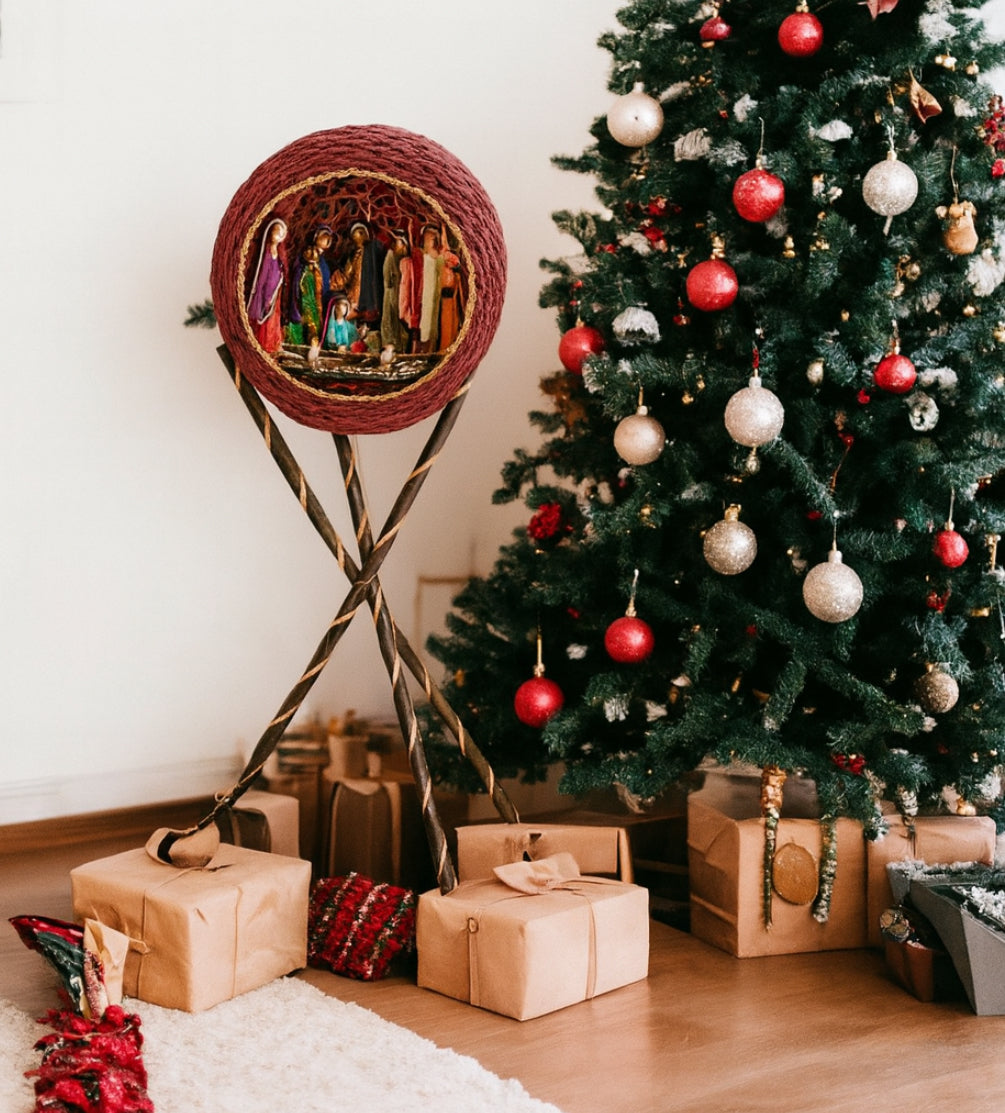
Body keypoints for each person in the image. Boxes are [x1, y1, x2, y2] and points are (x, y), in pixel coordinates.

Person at [246, 217, 288, 354]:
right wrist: (265, 294)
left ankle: (274, 342)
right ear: (270, 233)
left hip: (276, 289)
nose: (279, 236)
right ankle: (265, 343)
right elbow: (263, 274)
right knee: (266, 317)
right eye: (277, 232)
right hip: (268, 290)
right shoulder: (268, 252)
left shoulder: (278, 252)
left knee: (275, 317)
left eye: (282, 233)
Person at [381, 228, 410, 352]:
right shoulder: (390, 255)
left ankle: (400, 345)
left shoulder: (404, 258)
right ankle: (390, 343)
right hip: (391, 291)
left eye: (398, 242)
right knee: (389, 316)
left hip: (401, 291)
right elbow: (387, 277)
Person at [417, 223, 444, 353]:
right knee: (425, 320)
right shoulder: (423, 255)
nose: (430, 241)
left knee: (433, 319)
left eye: (432, 238)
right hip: (424, 293)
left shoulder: (438, 257)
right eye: (428, 238)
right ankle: (423, 346)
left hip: (434, 293)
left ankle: (431, 346)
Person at [438, 245, 465, 350]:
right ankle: (445, 345)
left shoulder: (447, 255)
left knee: (451, 320)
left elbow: (456, 264)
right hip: (446, 295)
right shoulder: (444, 256)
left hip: (451, 294)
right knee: (446, 321)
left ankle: (449, 344)